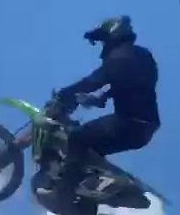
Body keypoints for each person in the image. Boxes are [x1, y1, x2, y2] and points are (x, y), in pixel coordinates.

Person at [36, 15, 160, 194]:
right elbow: (133, 85)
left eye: (103, 41)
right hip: (146, 128)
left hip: (127, 123)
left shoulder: (119, 57)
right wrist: (99, 98)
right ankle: (92, 185)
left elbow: (93, 81)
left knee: (77, 137)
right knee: (90, 151)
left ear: (112, 35)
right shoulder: (143, 56)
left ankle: (65, 191)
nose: (103, 48)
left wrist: (65, 94)